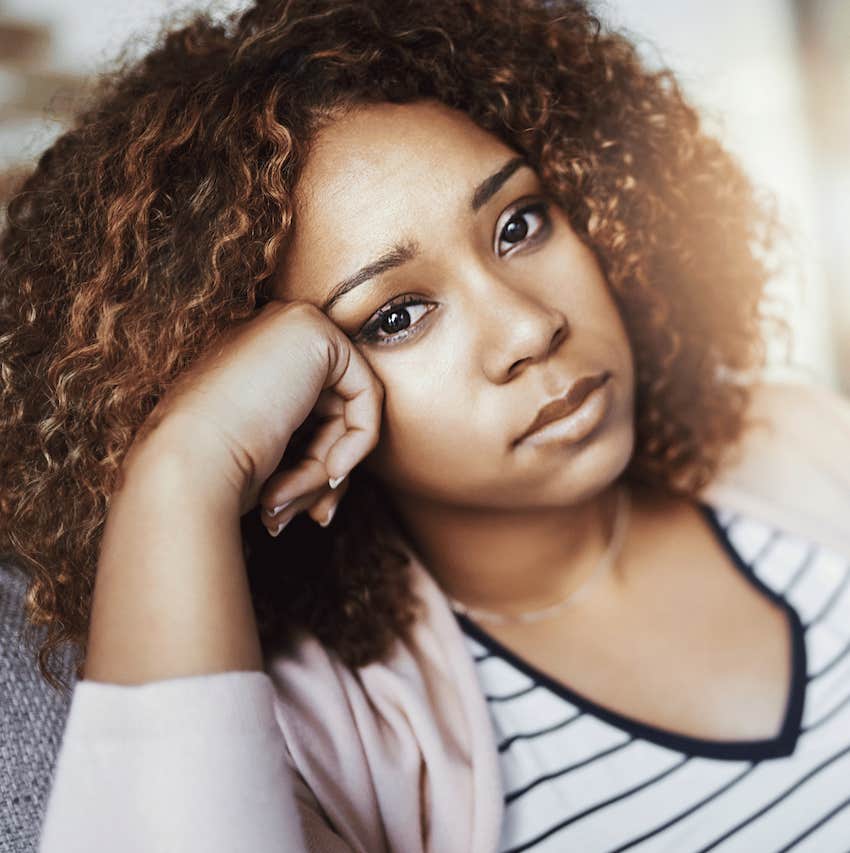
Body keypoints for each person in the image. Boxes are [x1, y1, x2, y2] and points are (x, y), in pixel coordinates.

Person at [0, 0, 848, 850]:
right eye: (397, 316)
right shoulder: (328, 737)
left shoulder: (791, 438)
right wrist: (183, 463)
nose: (530, 328)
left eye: (518, 225)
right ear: (298, 404)